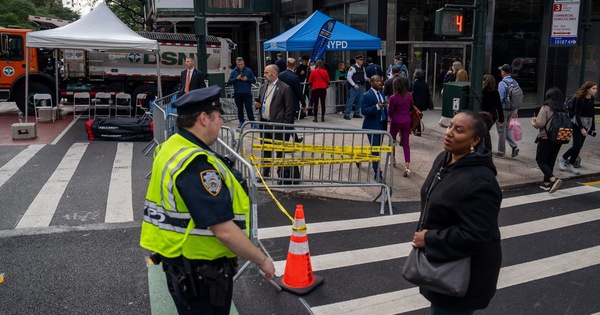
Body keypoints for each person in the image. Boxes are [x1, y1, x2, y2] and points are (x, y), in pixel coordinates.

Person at [140, 86, 276, 315]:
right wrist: (261, 260)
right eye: (219, 117)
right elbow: (223, 231)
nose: (221, 123)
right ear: (204, 118)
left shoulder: (171, 146)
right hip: (201, 275)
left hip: (181, 265)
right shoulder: (196, 164)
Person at [411, 110, 502, 314]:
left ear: (475, 140)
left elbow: (477, 235)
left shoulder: (481, 181)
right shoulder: (445, 159)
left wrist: (430, 239)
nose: (449, 133)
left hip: (464, 277)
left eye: (458, 130)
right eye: (450, 126)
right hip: (443, 265)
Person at [254, 64, 294, 177]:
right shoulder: (263, 87)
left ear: (274, 74)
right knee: (265, 149)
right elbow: (261, 102)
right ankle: (265, 172)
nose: (264, 75)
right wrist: (257, 105)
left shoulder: (284, 88)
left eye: (266, 73)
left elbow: (289, 108)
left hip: (277, 124)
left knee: (279, 151)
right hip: (264, 123)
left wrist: (284, 124)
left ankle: (280, 173)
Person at [558, 81, 597, 175]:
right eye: (593, 88)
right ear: (588, 89)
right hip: (576, 124)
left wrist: (592, 127)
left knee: (579, 147)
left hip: (587, 124)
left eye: (596, 88)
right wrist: (581, 128)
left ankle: (570, 166)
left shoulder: (592, 99)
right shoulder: (579, 98)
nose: (596, 90)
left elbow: (592, 114)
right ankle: (562, 158)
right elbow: (577, 114)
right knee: (577, 145)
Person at [532, 87, 565, 193]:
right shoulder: (564, 108)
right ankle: (547, 183)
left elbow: (540, 123)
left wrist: (534, 123)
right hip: (559, 138)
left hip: (546, 137)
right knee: (550, 160)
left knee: (540, 160)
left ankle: (553, 179)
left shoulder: (546, 108)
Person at [360, 75, 387, 181]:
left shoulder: (382, 94)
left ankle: (360, 158)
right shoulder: (366, 95)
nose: (380, 83)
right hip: (371, 126)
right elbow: (364, 111)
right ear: (371, 82)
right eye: (377, 81)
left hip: (381, 125)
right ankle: (377, 173)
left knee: (376, 148)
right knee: (375, 149)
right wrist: (376, 107)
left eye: (381, 81)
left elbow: (383, 108)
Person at [388, 76, 412, 176]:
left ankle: (393, 159)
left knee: (392, 141)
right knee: (406, 144)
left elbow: (390, 113)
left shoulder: (393, 98)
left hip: (396, 121)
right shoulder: (409, 95)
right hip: (406, 121)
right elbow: (411, 108)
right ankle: (407, 166)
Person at [278, 58, 306, 142]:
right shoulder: (295, 77)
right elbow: (299, 92)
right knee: (289, 123)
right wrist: (303, 104)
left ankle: (296, 139)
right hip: (292, 104)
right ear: (295, 66)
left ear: (287, 65)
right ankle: (285, 144)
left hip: (281, 102)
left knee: (289, 122)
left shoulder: (280, 75)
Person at [495, 64, 520, 158]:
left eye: (501, 70)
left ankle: (501, 152)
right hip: (513, 109)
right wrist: (516, 111)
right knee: (506, 129)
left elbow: (500, 98)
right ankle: (514, 146)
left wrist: (497, 111)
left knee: (501, 130)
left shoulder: (502, 83)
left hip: (504, 110)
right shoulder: (515, 82)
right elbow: (517, 97)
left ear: (504, 72)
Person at [227, 57, 257, 128]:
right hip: (237, 93)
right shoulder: (234, 72)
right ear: (236, 64)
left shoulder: (248, 71)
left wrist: (247, 79)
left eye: (241, 64)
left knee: (249, 108)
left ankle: (252, 122)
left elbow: (253, 80)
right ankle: (241, 121)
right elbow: (229, 82)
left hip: (247, 93)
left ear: (244, 63)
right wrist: (236, 79)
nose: (240, 65)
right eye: (238, 64)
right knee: (239, 108)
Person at [481, 74, 505, 152]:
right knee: (485, 131)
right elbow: (499, 106)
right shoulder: (495, 92)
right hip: (492, 115)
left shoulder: (482, 91)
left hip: (484, 114)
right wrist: (501, 118)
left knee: (485, 132)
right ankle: (486, 148)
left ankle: (487, 149)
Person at [344, 55, 368, 120]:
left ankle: (356, 113)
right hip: (355, 86)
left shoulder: (363, 68)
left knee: (360, 100)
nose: (362, 61)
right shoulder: (353, 67)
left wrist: (367, 79)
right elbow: (348, 77)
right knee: (351, 100)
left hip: (361, 85)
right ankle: (347, 114)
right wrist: (354, 84)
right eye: (360, 60)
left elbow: (364, 76)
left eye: (362, 60)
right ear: (356, 60)